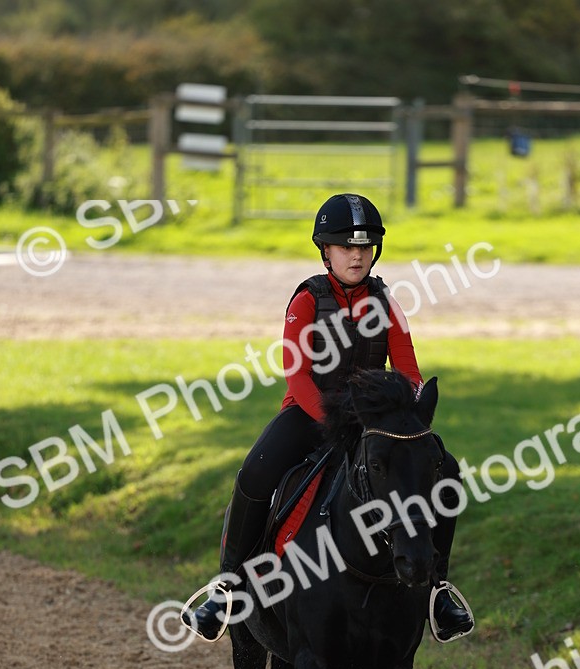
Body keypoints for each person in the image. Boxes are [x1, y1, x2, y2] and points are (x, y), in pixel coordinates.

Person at [182, 193, 473, 642]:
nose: (357, 255)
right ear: (326, 252)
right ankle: (226, 586)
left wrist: (411, 412)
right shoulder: (304, 302)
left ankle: (438, 589)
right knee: (255, 473)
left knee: (447, 470)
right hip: (310, 414)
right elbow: (296, 377)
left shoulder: (389, 303)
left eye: (365, 247)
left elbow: (410, 371)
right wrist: (335, 424)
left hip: (377, 424)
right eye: (345, 247)